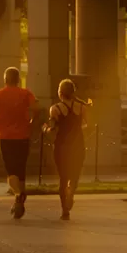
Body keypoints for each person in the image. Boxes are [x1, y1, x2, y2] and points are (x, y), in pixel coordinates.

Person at [0, 67, 36, 219]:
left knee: (10, 171)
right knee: (21, 170)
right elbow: (37, 108)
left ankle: (18, 194)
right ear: (18, 79)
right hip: (23, 136)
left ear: (5, 79)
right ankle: (18, 200)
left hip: (6, 136)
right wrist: (32, 121)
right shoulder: (26, 93)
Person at [47, 79, 89, 221]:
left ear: (60, 93)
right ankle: (72, 190)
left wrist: (45, 129)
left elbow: (52, 128)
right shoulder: (82, 107)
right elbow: (86, 125)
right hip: (78, 145)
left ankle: (65, 211)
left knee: (63, 178)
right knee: (75, 175)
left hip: (61, 147)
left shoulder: (55, 109)